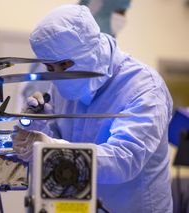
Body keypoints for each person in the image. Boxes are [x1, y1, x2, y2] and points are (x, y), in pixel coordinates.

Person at [12, 4, 173, 213]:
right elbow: (62, 140)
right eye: (50, 68)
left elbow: (123, 160)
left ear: (90, 51)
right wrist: (38, 131)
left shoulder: (144, 87)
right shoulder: (62, 84)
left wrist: (51, 149)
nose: (59, 75)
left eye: (64, 65)